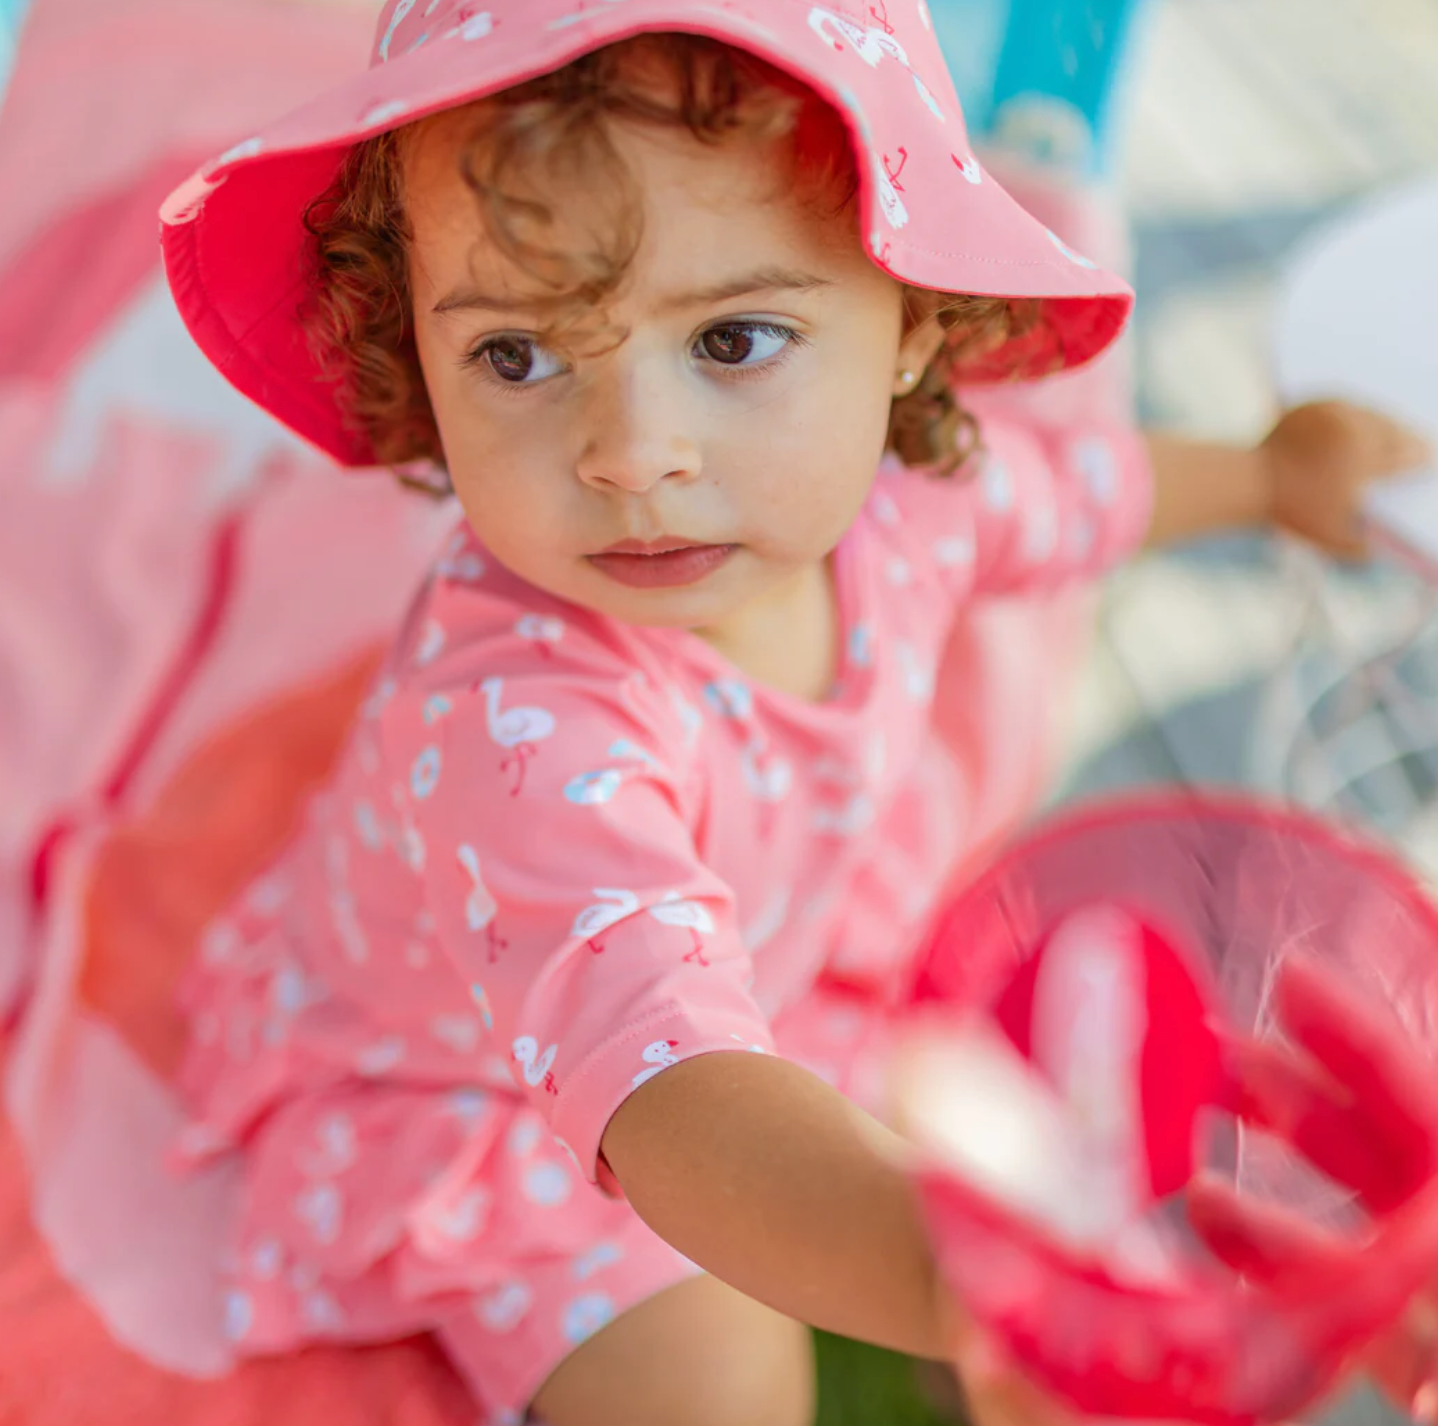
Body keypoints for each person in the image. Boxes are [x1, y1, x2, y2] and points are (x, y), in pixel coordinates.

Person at [158, 3, 1430, 1423]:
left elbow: (1092, 493)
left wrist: (1263, 477)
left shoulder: (918, 498)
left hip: (782, 973)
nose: (633, 454)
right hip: (489, 1096)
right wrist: (981, 1278)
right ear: (416, 352)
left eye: (734, 337)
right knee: (718, 1380)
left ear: (909, 324)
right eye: (517, 355)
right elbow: (677, 1094)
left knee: (1070, 1138)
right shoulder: (517, 719)